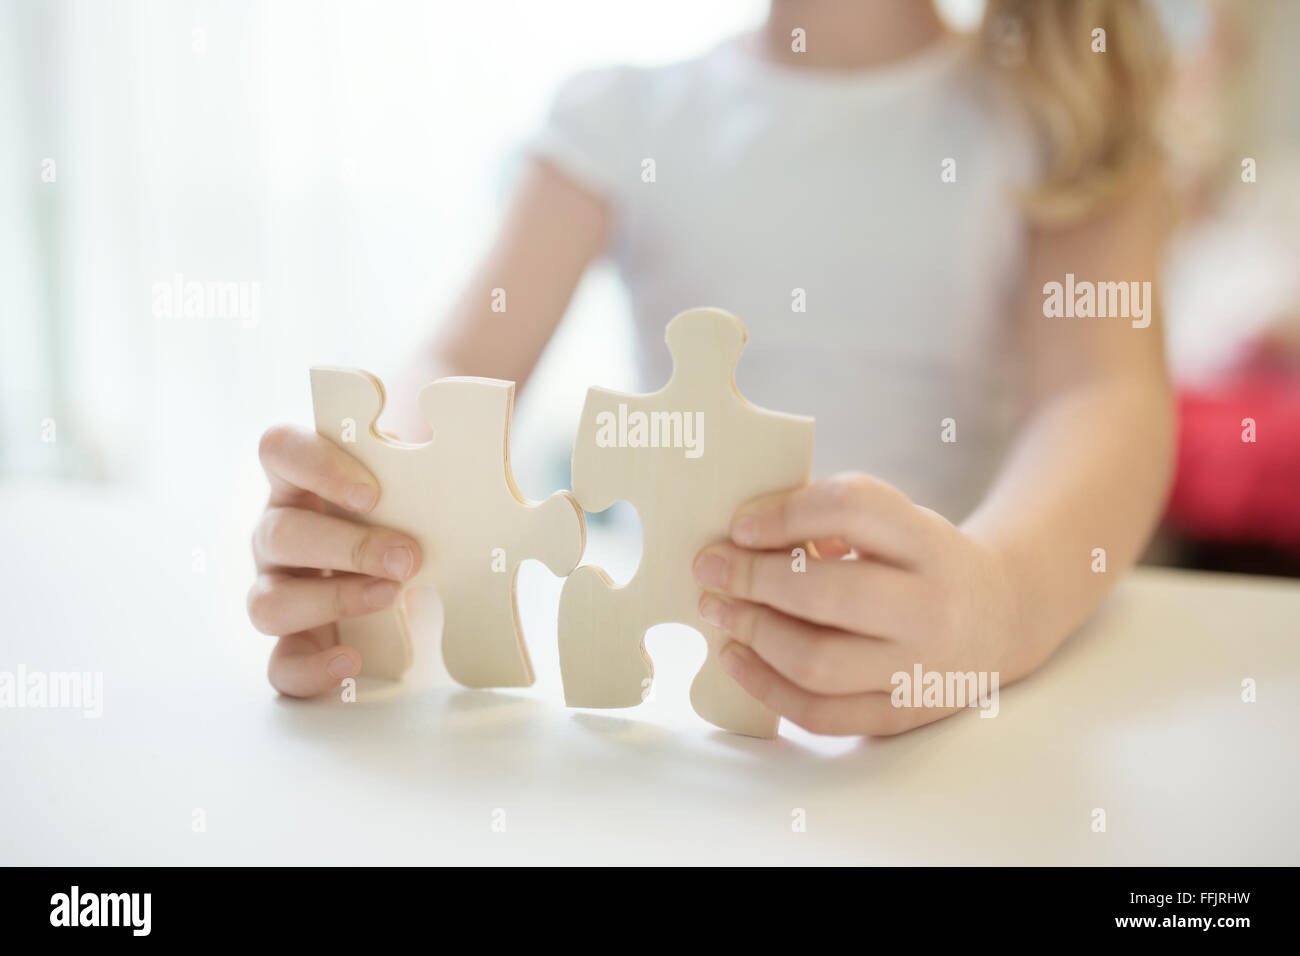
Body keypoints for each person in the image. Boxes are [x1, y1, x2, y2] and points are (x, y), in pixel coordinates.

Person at [248, 0, 1174, 735]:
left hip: (968, 741)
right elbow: (455, 364)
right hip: (680, 725)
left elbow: (1102, 397)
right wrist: (369, 516)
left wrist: (1001, 606)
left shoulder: (1061, 118)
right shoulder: (620, 115)